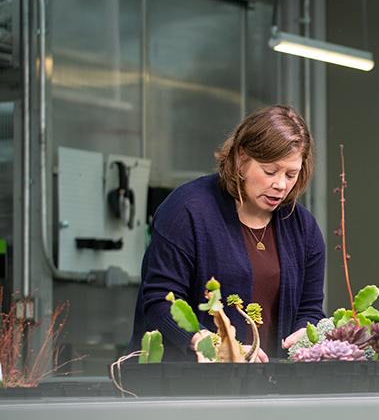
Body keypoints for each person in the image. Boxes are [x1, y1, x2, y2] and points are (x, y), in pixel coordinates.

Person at [130, 105, 326, 361]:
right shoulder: (186, 210)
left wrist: (305, 332)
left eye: (291, 174)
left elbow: (310, 309)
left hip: (268, 385)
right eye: (269, 171)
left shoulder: (303, 228)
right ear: (241, 159)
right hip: (183, 386)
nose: (280, 185)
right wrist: (211, 344)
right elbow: (159, 301)